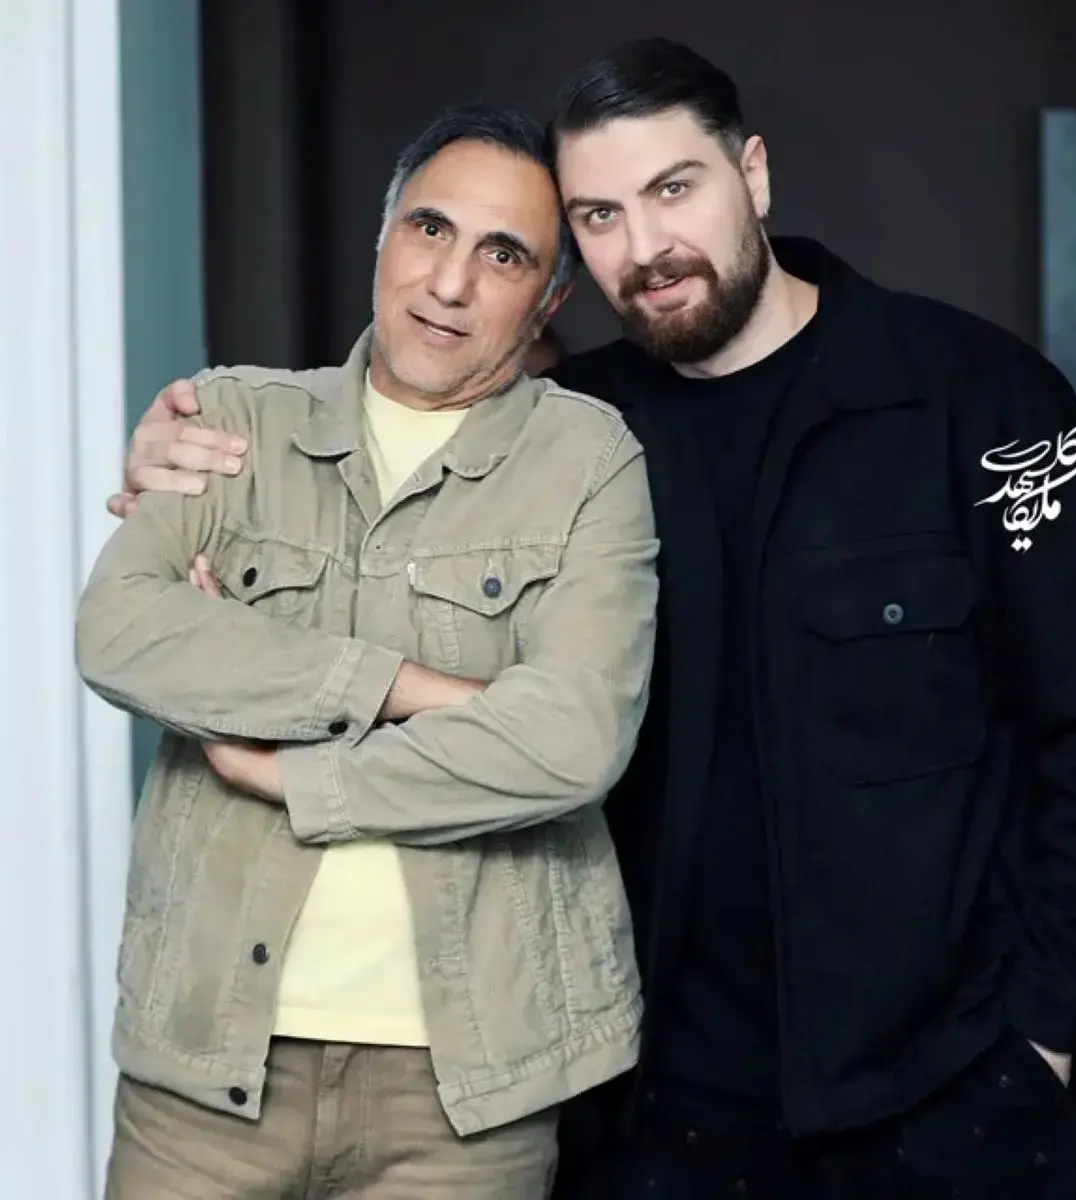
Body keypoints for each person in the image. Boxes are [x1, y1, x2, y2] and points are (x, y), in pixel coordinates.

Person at [109, 39, 1076, 1200]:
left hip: (944, 1100)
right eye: (600, 215)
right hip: (649, 1111)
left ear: (753, 174)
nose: (647, 246)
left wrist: (1048, 1025)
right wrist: (187, 452)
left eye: (675, 189)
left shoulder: (979, 395)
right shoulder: (567, 438)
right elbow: (374, 474)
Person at [78, 104, 658, 1199]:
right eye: (430, 230)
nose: (450, 283)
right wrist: (408, 688)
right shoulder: (236, 420)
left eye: (503, 256)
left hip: (464, 1099)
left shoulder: (587, 460)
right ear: (384, 238)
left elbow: (576, 742)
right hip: (204, 1072)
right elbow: (120, 631)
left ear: (548, 300)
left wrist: (296, 775)